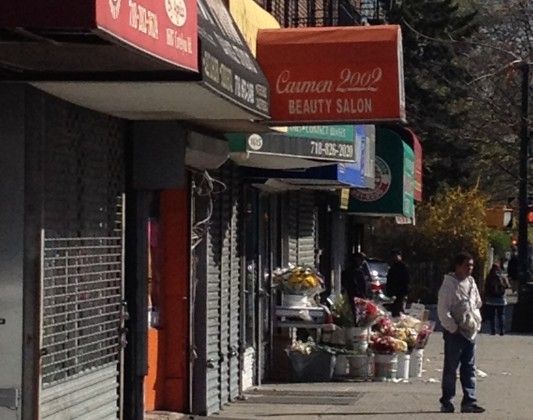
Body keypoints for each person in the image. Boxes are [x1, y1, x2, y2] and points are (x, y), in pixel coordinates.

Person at [437, 252, 485, 414]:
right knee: (451, 368)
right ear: (457, 266)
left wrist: (474, 319)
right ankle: (447, 401)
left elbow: (477, 302)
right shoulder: (449, 285)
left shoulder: (471, 283)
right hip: (455, 333)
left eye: (471, 265)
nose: (470, 268)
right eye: (466, 265)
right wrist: (453, 327)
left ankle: (469, 401)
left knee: (469, 367)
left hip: (470, 331)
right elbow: (443, 311)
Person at [483, 263, 510, 335]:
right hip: (501, 299)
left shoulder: (489, 277)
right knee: (501, 315)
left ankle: (493, 330)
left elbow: (486, 287)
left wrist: (485, 297)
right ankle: (501, 330)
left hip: (491, 299)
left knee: (492, 316)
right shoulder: (502, 276)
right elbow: (507, 286)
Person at [385, 250, 410, 316]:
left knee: (398, 309)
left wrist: (404, 291)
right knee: (394, 310)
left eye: (396, 256)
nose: (395, 258)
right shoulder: (392, 268)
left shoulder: (403, 267)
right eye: (393, 256)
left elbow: (407, 280)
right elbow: (389, 280)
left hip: (400, 292)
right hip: (393, 292)